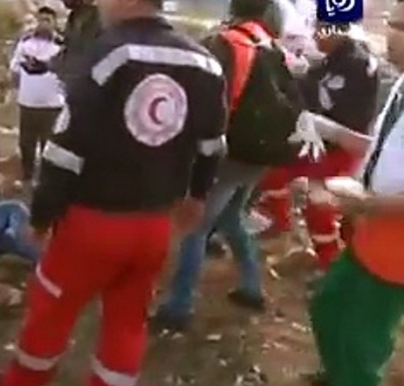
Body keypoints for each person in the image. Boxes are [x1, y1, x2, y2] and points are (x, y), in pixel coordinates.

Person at [0, 0, 228, 383]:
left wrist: (42, 216)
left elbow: (64, 151)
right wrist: (197, 195)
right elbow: (213, 145)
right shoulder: (204, 62)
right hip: (155, 224)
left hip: (92, 222)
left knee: (51, 312)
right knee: (127, 323)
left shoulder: (107, 54)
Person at [153, 0, 304, 332]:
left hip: (229, 151)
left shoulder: (225, 43)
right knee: (231, 216)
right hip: (262, 154)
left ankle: (179, 306)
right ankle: (251, 286)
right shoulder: (270, 46)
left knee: (195, 226)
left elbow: (201, 99)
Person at [308, 2, 404, 385]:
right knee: (328, 306)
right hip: (369, 229)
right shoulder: (398, 82)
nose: (389, 33)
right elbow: (385, 146)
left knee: (363, 338)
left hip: (396, 246)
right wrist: (335, 132)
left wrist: (365, 203)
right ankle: (339, 374)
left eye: (398, 25)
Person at [256, 21, 379, 270]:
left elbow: (327, 104)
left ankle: (329, 263)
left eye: (320, 30)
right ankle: (284, 226)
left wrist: (301, 80)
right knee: (273, 171)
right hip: (320, 139)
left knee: (319, 204)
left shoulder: (355, 63)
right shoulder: (332, 58)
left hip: (340, 145)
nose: (314, 36)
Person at [10, 6, 65, 185]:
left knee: (49, 146)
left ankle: (48, 181)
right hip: (28, 103)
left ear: (54, 23)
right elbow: (15, 70)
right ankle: (27, 179)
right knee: (27, 143)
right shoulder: (25, 44)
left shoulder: (61, 46)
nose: (44, 24)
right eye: (41, 19)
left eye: (48, 20)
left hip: (52, 105)